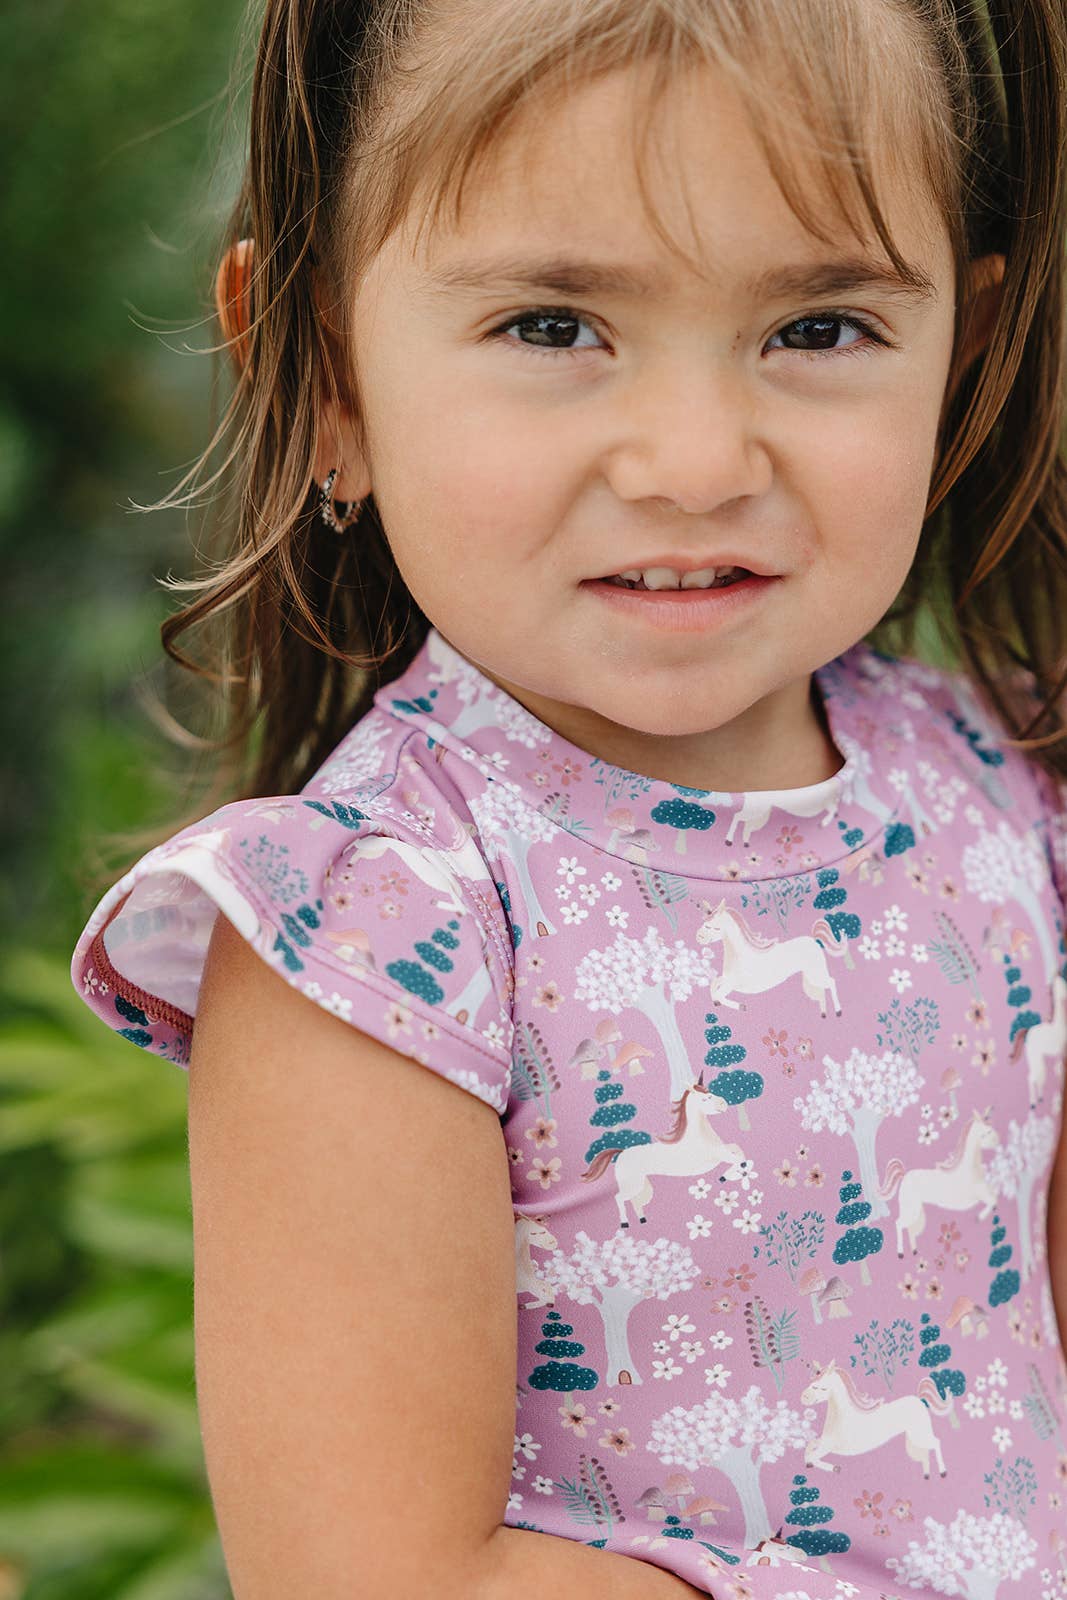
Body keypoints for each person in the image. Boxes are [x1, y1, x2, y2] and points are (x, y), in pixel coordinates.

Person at [69, 0, 1067, 1595]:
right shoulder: (376, 944)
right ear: (322, 375)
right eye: (552, 326)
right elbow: (381, 1579)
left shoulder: (994, 788)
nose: (693, 459)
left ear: (966, 350)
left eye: (819, 329)